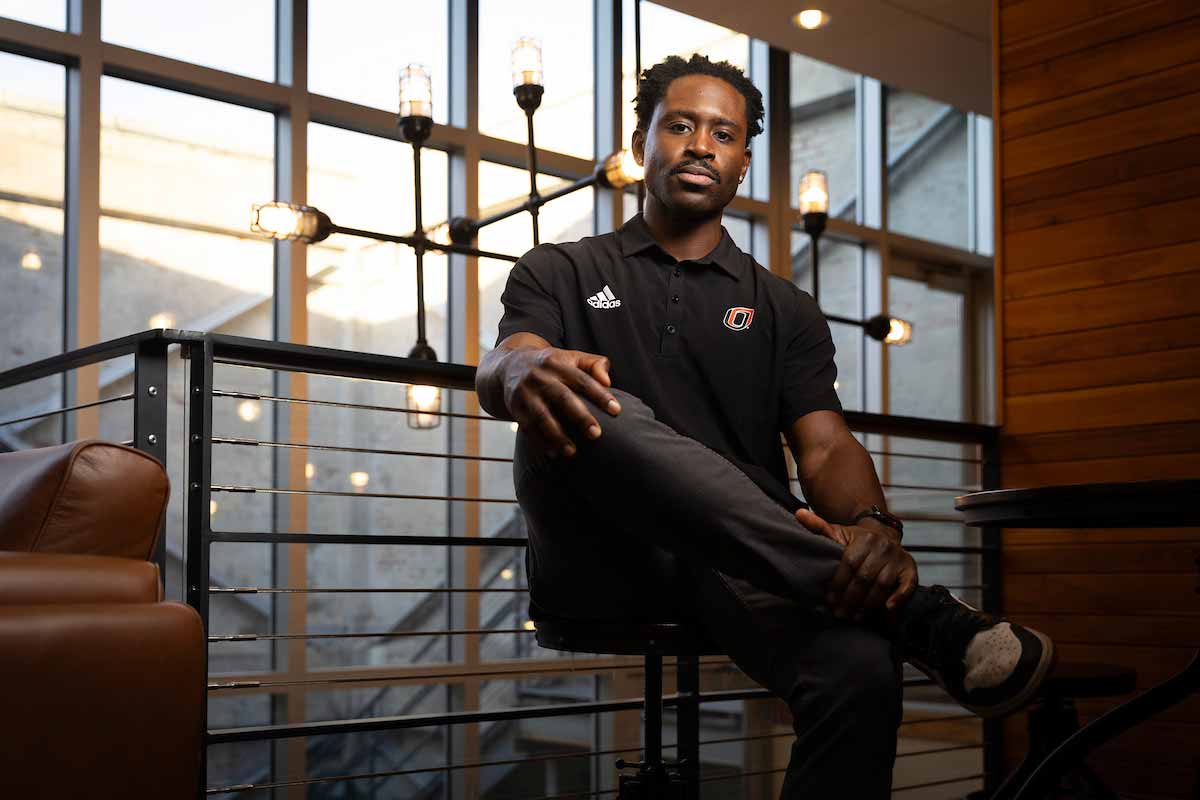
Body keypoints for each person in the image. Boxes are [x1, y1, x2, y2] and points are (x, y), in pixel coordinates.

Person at [475, 53, 1053, 796]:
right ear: (642, 141)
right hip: (601, 561)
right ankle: (917, 612)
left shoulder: (785, 308)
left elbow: (824, 442)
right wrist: (518, 370)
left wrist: (874, 527)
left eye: (722, 133)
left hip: (744, 566)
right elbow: (510, 359)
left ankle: (885, 603)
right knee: (583, 393)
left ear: (743, 161)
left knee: (863, 671)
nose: (698, 145)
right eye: (678, 126)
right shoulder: (557, 269)